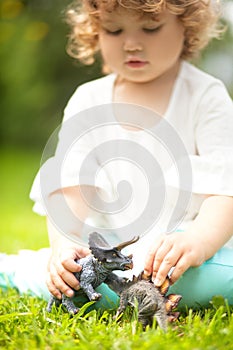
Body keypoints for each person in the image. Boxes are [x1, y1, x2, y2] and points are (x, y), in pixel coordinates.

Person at [1, 0, 233, 310]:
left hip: (186, 251)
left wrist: (197, 243)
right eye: (114, 30)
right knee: (71, 283)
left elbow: (225, 191)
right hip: (112, 253)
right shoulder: (88, 100)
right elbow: (72, 189)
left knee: (217, 279)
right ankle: (19, 271)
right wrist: (65, 246)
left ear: (186, 28)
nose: (132, 44)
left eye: (151, 28)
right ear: (96, 32)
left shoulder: (206, 96)